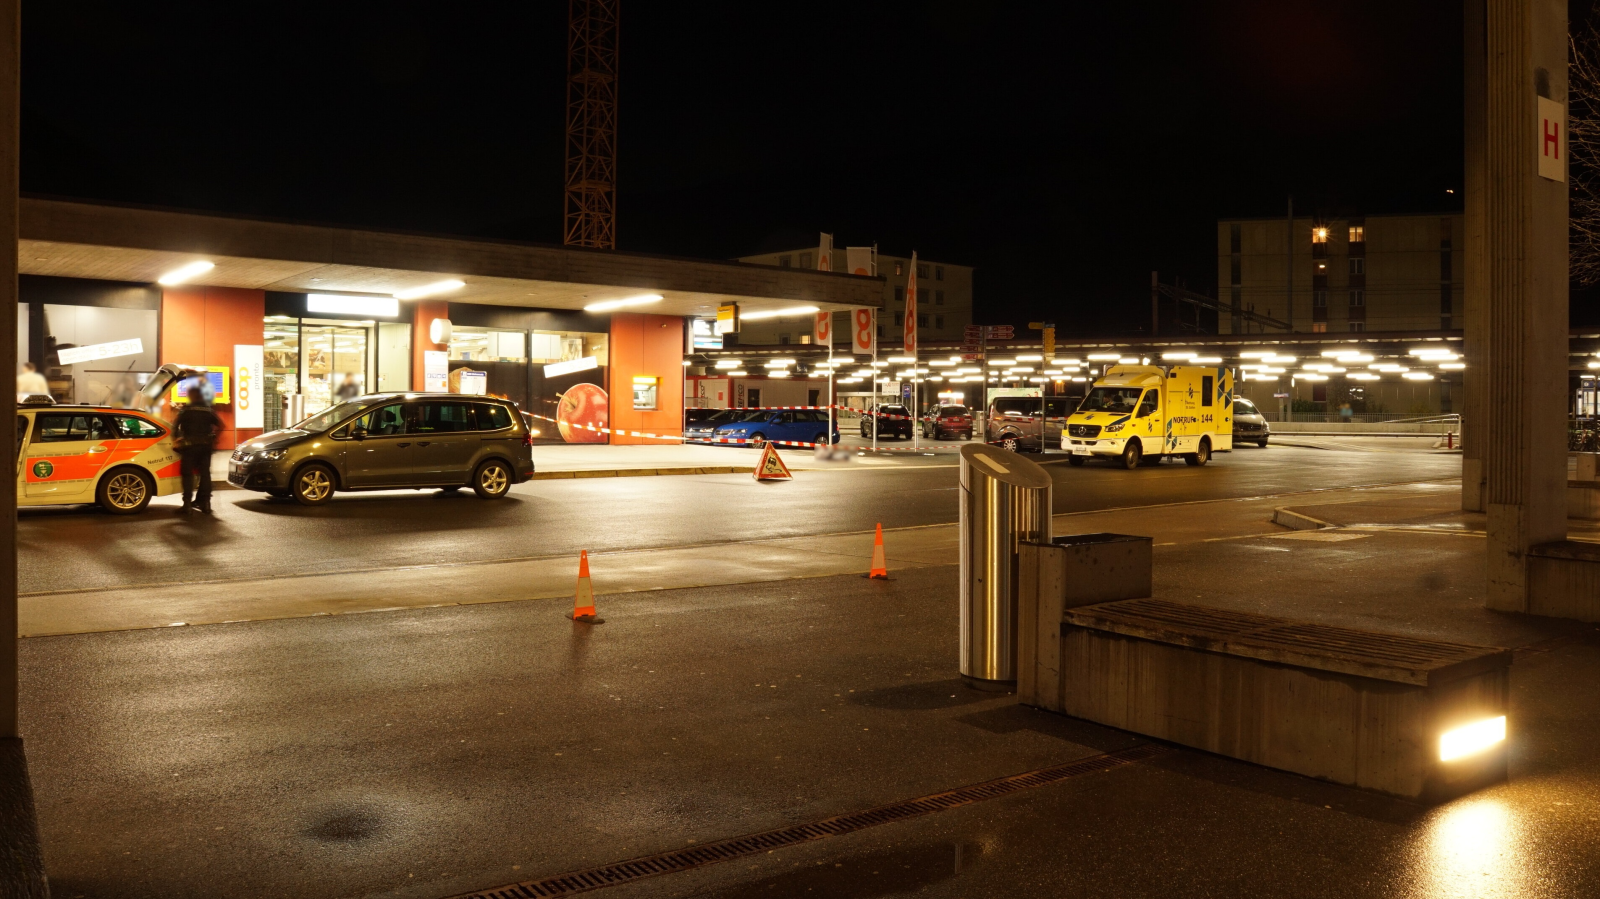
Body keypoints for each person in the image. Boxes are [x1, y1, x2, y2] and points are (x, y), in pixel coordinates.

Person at [174, 385, 222, 514]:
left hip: (189, 447)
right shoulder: (208, 410)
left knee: (187, 475)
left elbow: (175, 427)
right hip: (206, 446)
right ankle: (206, 504)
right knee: (205, 474)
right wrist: (215, 438)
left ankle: (187, 505)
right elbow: (221, 425)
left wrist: (177, 439)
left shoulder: (185, 410)